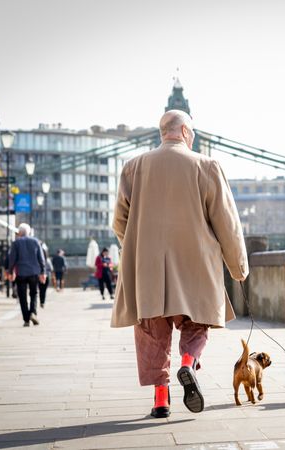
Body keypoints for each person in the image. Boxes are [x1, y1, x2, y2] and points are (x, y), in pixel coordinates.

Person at [112, 110, 248, 418]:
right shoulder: (206, 166)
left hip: (149, 269)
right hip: (195, 264)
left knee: (151, 331)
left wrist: (138, 247)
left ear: (164, 132)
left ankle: (161, 399)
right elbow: (228, 223)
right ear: (186, 131)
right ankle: (188, 364)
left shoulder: (133, 168)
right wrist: (239, 268)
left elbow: (120, 221)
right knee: (197, 322)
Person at [7, 223, 46, 327]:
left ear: (19, 233)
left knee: (22, 296)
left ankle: (26, 319)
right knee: (34, 293)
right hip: (34, 272)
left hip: (21, 273)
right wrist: (43, 272)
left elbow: (12, 259)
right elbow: (41, 258)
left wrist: (10, 271)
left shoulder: (16, 243)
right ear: (29, 232)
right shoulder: (35, 241)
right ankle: (33, 312)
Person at [38, 242, 53, 308]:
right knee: (44, 290)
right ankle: (42, 302)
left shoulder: (37, 260)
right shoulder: (47, 260)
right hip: (46, 276)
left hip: (38, 276)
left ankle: (41, 301)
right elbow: (51, 269)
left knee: (40, 289)